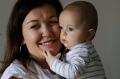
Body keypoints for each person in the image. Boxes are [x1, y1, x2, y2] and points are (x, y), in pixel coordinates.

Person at [0, 0, 64, 79]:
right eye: (35, 26)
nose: (47, 32)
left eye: (52, 22)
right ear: (21, 37)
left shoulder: (77, 58)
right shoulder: (18, 74)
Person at [43, 1, 106, 79]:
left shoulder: (82, 50)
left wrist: (53, 63)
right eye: (61, 28)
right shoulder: (77, 50)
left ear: (88, 35)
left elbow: (73, 73)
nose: (63, 33)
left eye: (70, 29)